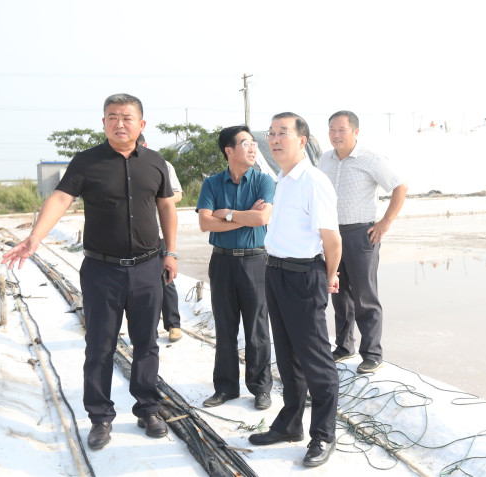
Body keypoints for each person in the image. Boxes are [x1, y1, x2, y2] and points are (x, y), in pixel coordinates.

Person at [1, 93, 178, 450]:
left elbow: (166, 207)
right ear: (103, 123)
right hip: (102, 270)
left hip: (147, 267)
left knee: (146, 343)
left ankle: (147, 409)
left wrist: (170, 252)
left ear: (141, 124)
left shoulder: (156, 162)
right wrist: (35, 237)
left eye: (127, 117)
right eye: (112, 117)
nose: (119, 123)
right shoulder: (86, 161)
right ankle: (100, 417)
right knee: (100, 345)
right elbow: (60, 199)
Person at [248, 112, 342, 468]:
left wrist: (328, 276)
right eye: (271, 133)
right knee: (287, 356)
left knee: (316, 360)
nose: (274, 139)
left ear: (302, 140)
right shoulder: (283, 178)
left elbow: (332, 239)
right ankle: (290, 424)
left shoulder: (313, 181)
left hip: (304, 276)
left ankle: (324, 434)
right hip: (276, 272)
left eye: (282, 133)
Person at [318, 110, 408, 374]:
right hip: (332, 234)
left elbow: (400, 187)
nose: (336, 134)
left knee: (364, 295)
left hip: (361, 234)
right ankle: (345, 347)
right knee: (339, 293)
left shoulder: (371, 159)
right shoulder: (324, 159)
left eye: (341, 130)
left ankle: (372, 354)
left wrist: (385, 222)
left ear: (355, 132)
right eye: (332, 129)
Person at [196, 126, 275, 411]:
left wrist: (228, 215)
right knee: (225, 326)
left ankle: (261, 388)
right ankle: (226, 388)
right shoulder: (212, 184)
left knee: (257, 328)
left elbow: (262, 218)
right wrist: (247, 217)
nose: (253, 148)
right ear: (229, 150)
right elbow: (205, 223)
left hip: (256, 261)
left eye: (254, 143)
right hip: (222, 262)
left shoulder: (264, 181)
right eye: (246, 143)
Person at [138, 133, 183, 342]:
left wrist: (156, 199)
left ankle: (173, 324)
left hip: (158, 232)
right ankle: (149, 329)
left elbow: (178, 194)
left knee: (166, 279)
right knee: (141, 285)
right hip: (136, 236)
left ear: (145, 145)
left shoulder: (162, 165)